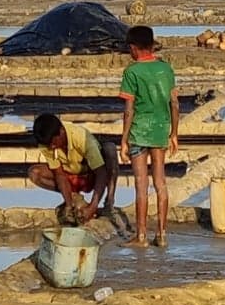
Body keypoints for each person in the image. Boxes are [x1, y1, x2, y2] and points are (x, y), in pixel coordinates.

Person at [118, 25, 179, 246]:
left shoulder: (132, 72)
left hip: (139, 132)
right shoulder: (166, 69)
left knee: (141, 185)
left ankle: (141, 235)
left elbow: (128, 110)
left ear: (133, 48)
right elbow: (174, 103)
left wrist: (124, 140)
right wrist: (174, 133)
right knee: (160, 183)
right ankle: (162, 234)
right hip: (160, 130)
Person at [28, 113, 116, 223]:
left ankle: (109, 203)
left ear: (61, 132)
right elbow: (59, 174)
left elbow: (101, 173)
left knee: (110, 149)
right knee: (34, 173)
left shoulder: (82, 137)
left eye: (54, 143)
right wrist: (69, 206)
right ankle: (75, 199)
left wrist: (92, 207)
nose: (52, 147)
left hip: (91, 176)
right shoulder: (46, 144)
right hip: (70, 177)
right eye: (49, 145)